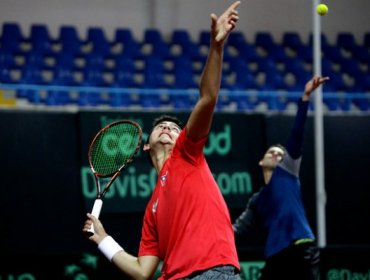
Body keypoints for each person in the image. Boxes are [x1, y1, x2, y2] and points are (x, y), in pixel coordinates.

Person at [82, 1, 242, 279]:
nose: (168, 128)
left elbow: (207, 98)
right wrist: (104, 240)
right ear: (146, 144)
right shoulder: (152, 209)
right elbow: (143, 271)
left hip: (211, 273)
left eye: (174, 127)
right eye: (161, 126)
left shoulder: (187, 155)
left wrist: (216, 47)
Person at [233, 76, 329, 280]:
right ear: (261, 161)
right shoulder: (257, 200)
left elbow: (297, 134)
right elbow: (236, 230)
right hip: (276, 257)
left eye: (281, 153)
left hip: (301, 248)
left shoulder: (288, 170)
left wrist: (305, 98)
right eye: (272, 152)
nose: (277, 155)